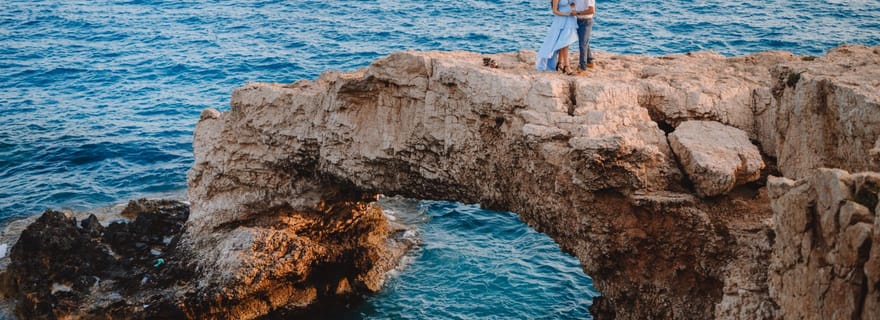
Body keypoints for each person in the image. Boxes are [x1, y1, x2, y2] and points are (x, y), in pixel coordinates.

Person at [536, 0, 578, 74]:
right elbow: (554, 11)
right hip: (561, 20)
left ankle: (560, 63)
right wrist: (566, 14)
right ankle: (566, 66)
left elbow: (573, 4)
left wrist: (572, 8)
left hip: (570, 20)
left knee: (564, 42)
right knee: (563, 42)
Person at [572, 0, 596, 75]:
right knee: (584, 42)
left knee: (582, 44)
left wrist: (578, 13)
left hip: (586, 21)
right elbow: (573, 4)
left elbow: (592, 10)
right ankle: (590, 61)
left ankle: (582, 67)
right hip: (579, 20)